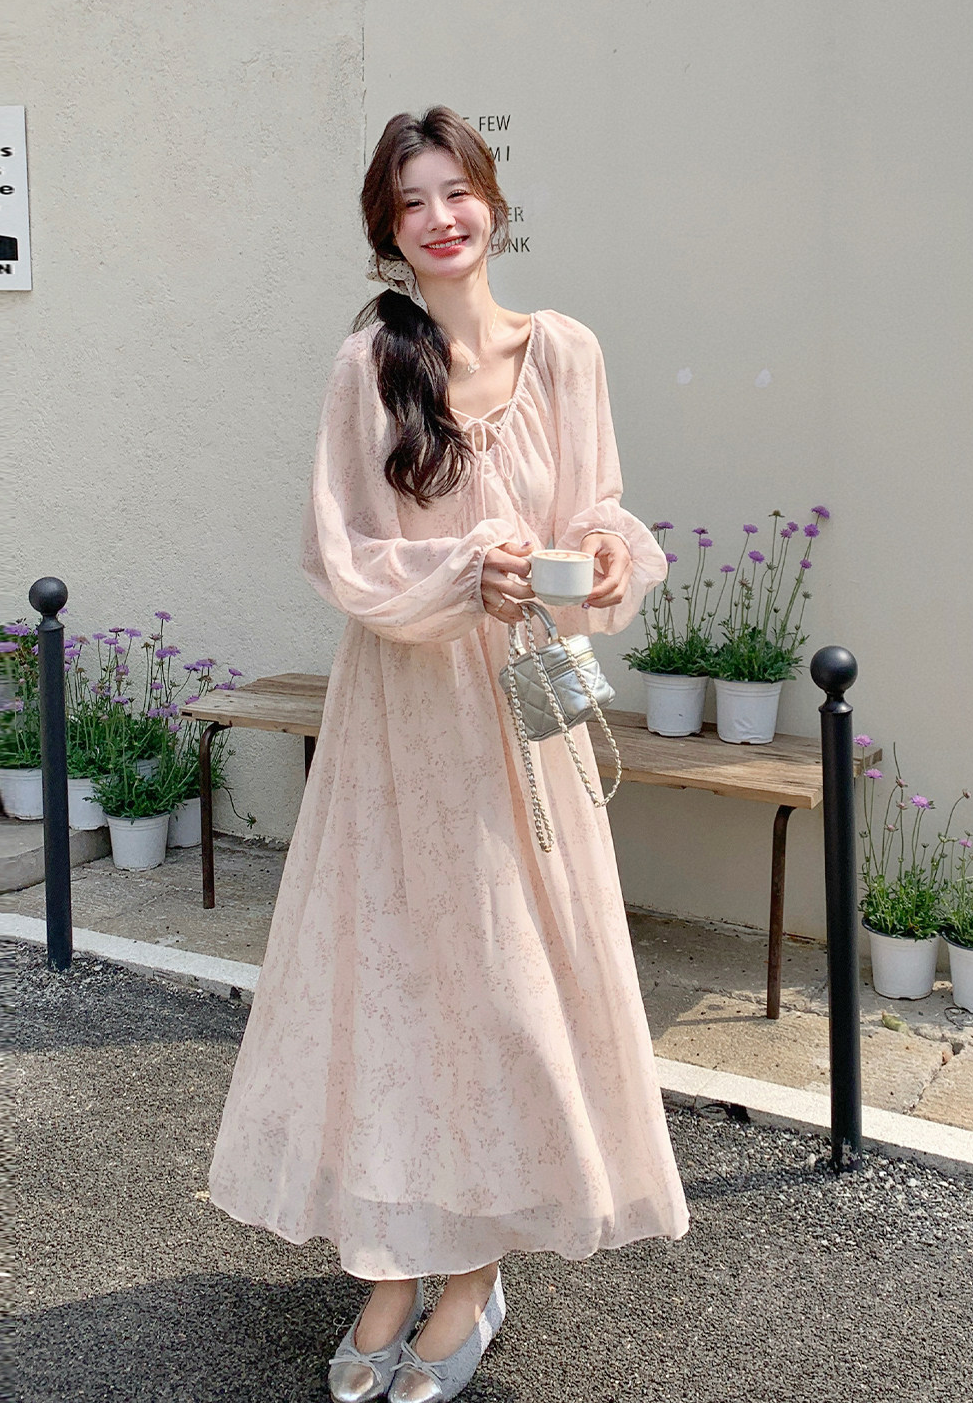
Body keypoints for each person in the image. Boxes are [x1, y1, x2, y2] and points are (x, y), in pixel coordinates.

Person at [207, 105, 689, 1403]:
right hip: (402, 718)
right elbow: (341, 551)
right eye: (411, 200)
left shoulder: (566, 352)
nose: (440, 217)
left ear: (493, 203)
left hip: (522, 719)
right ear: (387, 228)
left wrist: (585, 563)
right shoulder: (371, 362)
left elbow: (602, 518)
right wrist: (461, 573)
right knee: (398, 988)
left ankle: (473, 1270)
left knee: (508, 993)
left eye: (456, 190)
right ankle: (394, 1263)